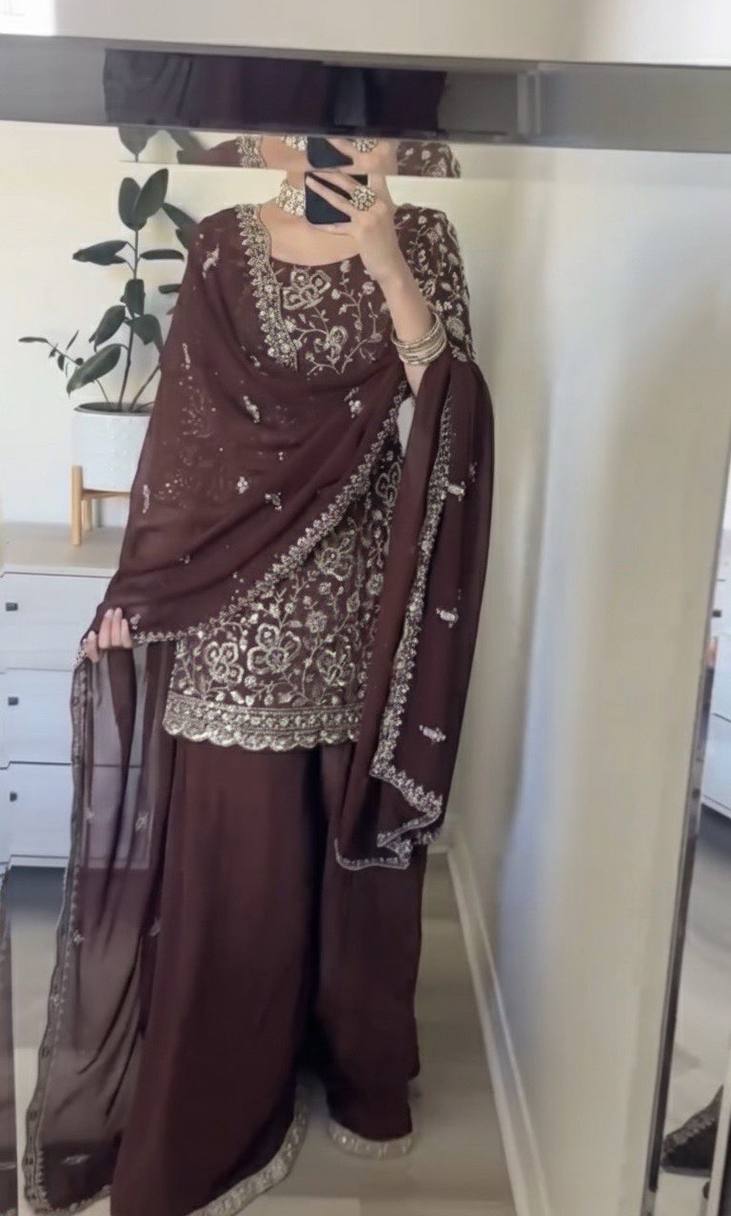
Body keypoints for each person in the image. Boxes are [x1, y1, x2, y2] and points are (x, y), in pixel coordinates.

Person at [23, 142, 493, 1216]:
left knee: (343, 849)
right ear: (270, 133)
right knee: (241, 865)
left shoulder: (423, 237)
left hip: (359, 608)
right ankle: (227, 1096)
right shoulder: (221, 246)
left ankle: (346, 1059)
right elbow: (185, 438)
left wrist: (383, 254)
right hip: (227, 607)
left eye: (356, 120)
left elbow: (450, 416)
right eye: (306, 116)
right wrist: (143, 587)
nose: (331, 142)